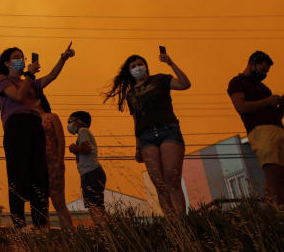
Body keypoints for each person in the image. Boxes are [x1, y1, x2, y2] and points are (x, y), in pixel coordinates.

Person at [0, 43, 74, 229]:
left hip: (35, 125)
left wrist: (62, 59)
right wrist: (29, 75)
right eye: (17, 57)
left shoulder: (31, 82)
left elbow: (51, 77)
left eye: (22, 57)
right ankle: (19, 224)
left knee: (39, 176)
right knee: (18, 174)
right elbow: (18, 96)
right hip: (16, 126)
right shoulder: (2, 80)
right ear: (7, 62)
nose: (21, 60)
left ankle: (41, 224)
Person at [102, 49, 191, 216]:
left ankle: (183, 223)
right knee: (159, 184)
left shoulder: (161, 79)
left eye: (140, 64)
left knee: (172, 180)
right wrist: (137, 147)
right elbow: (136, 119)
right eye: (133, 66)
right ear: (129, 72)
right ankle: (173, 226)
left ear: (146, 66)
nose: (137, 67)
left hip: (168, 131)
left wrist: (170, 63)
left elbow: (185, 84)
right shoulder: (130, 94)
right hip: (146, 138)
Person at [227, 51, 284, 204]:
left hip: (278, 130)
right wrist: (267, 102)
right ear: (252, 64)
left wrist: (282, 105)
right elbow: (241, 107)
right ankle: (273, 211)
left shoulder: (264, 88)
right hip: (260, 131)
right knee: (272, 175)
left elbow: (277, 115)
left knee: (282, 179)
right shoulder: (237, 82)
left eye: (266, 71)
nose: (264, 74)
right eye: (263, 70)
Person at [34, 94, 72, 229]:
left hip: (53, 163)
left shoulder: (52, 117)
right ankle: (47, 239)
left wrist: (59, 160)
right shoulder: (32, 122)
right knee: (41, 205)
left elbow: (60, 139)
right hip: (39, 167)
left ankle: (70, 236)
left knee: (58, 202)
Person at [67, 111, 106, 224]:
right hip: (93, 172)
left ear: (79, 122)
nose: (69, 124)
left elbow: (86, 149)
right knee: (97, 203)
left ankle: (101, 228)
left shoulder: (83, 131)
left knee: (93, 204)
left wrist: (74, 148)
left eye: (71, 121)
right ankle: (104, 228)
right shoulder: (84, 133)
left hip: (91, 173)